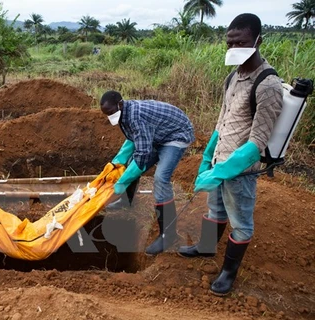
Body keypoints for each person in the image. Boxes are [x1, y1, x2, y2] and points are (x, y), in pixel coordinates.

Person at [178, 13, 283, 296]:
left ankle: (228, 273)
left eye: (242, 41)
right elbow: (221, 122)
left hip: (240, 171)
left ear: (259, 40)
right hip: (220, 160)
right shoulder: (232, 77)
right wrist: (207, 159)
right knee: (215, 210)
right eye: (230, 42)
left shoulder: (268, 85)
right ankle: (205, 247)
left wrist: (223, 171)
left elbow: (257, 142)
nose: (234, 47)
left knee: (241, 223)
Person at [100, 91, 195, 256]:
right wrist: (116, 163)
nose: (110, 116)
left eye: (111, 112)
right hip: (158, 135)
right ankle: (126, 201)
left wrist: (122, 182)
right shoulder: (124, 113)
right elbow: (132, 141)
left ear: (120, 104)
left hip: (175, 135)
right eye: (106, 114)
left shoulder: (136, 117)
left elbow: (142, 154)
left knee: (160, 178)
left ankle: (168, 235)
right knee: (130, 165)